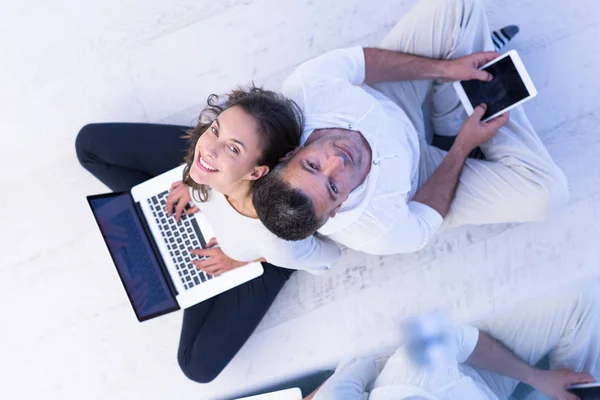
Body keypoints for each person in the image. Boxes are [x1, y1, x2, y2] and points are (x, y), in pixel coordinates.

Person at [252, 0, 569, 255]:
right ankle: (481, 96)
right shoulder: (376, 232)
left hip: (390, 100)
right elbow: (425, 217)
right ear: (335, 210)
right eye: (333, 186)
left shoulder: (303, 93)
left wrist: (446, 68)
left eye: (312, 164)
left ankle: (462, 89)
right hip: (421, 175)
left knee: (454, 7)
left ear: (291, 153)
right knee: (547, 195)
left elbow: (360, 64)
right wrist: (460, 149)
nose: (337, 160)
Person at [75, 86, 340, 383]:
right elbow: (209, 152)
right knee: (88, 145)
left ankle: (184, 243)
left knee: (195, 366)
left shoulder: (274, 240)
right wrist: (193, 178)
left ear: (256, 172)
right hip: (213, 185)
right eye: (215, 129)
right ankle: (166, 211)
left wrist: (246, 259)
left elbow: (328, 258)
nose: (210, 148)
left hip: (247, 252)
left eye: (234, 148)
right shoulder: (206, 157)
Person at [306, 280, 600, 400]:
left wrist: (539, 378)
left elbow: (457, 340)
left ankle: (575, 389)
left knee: (581, 296)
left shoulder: (414, 370)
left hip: (472, 372)